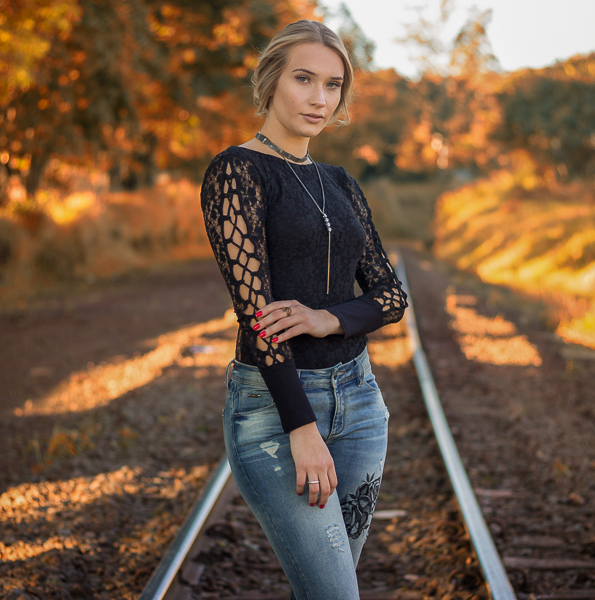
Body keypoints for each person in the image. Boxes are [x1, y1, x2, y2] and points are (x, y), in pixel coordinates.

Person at [200, 19, 407, 599]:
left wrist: (328, 318)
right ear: (271, 82)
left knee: (324, 589)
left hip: (362, 404)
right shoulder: (236, 173)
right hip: (277, 410)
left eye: (333, 85)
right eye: (304, 79)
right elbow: (259, 318)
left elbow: (390, 296)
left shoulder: (340, 182)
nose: (320, 98)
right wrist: (302, 429)